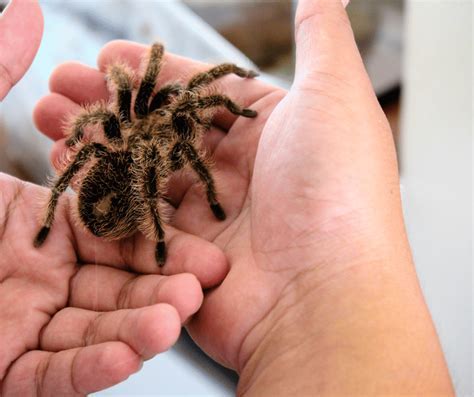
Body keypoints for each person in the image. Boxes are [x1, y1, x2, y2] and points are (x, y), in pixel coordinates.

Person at [0, 0, 454, 395]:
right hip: (123, 192)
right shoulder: (173, 143)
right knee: (133, 153)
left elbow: (101, 113)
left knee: (100, 150)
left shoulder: (131, 128)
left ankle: (66, 223)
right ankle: (139, 233)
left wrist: (228, 93)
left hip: (113, 181)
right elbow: (125, 99)